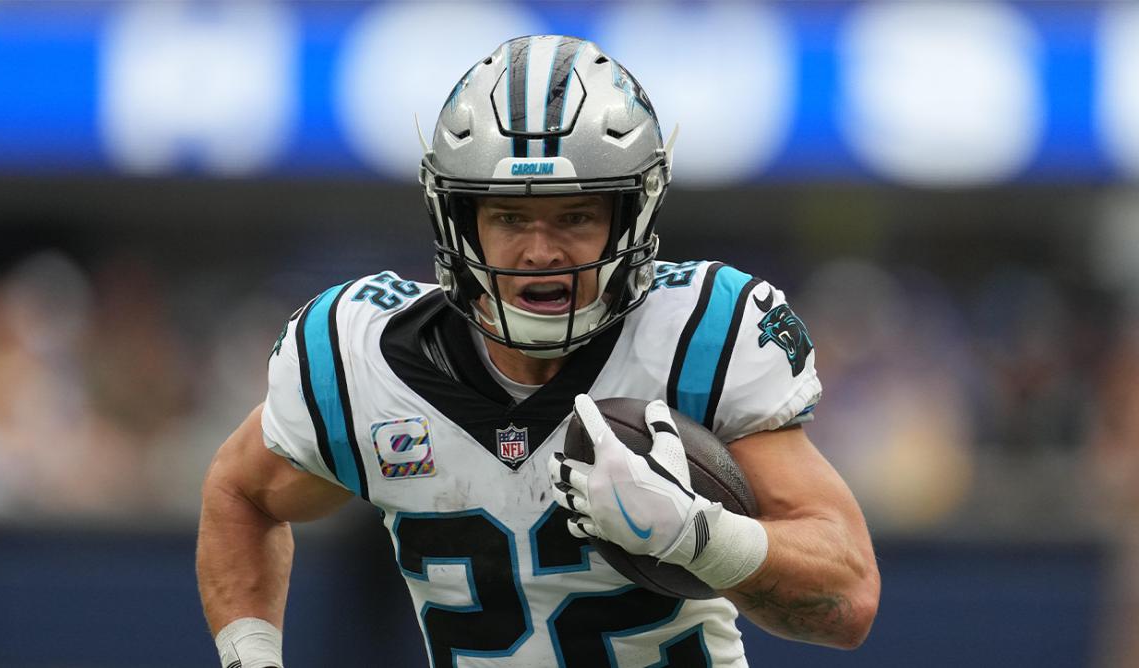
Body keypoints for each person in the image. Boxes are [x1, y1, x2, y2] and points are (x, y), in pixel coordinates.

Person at [197, 35, 880, 667]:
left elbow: (848, 601)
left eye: (576, 215)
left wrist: (696, 533)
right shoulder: (361, 357)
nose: (541, 251)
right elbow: (240, 492)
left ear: (632, 215)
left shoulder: (696, 338)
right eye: (510, 217)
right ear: (460, 222)